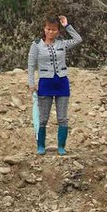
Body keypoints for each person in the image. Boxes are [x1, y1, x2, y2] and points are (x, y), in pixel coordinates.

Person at [27, 15, 82, 155]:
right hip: (45, 83)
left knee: (62, 117)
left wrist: (67, 25)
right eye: (48, 29)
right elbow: (31, 65)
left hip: (62, 82)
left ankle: (61, 146)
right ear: (44, 29)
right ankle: (41, 145)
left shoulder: (61, 43)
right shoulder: (36, 45)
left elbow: (78, 39)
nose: (50, 32)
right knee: (43, 117)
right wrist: (31, 83)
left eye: (54, 29)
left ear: (57, 31)